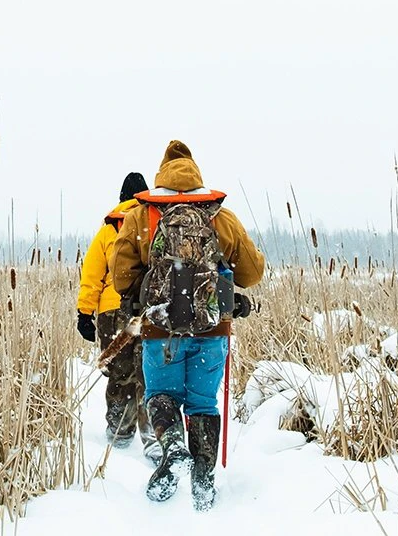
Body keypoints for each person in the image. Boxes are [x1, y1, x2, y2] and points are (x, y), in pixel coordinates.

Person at [110, 140, 264, 512]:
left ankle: (174, 448)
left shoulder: (142, 216)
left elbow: (120, 276)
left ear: (162, 174)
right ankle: (204, 481)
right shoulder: (218, 217)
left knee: (161, 395)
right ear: (196, 175)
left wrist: (146, 290)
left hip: (160, 329)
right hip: (212, 330)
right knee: (202, 403)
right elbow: (252, 273)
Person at [77, 172, 151, 451]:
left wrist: (84, 313)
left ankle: (119, 434)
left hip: (111, 310)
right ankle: (153, 435)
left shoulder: (110, 229)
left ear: (121, 198)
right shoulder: (153, 225)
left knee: (121, 373)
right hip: (147, 309)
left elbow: (92, 274)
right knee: (148, 372)